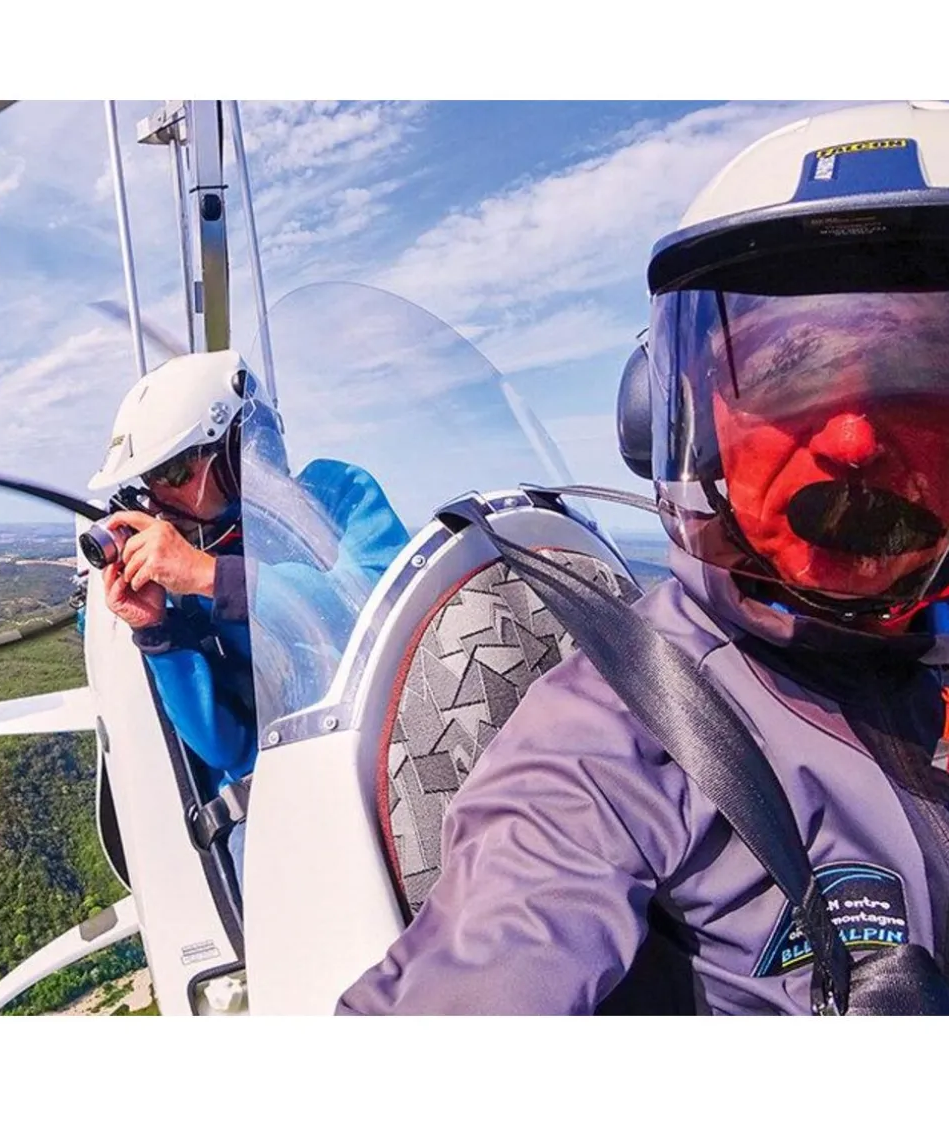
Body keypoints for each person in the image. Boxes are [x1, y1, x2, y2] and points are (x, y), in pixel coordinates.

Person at [338, 100, 949, 1014]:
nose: (853, 439)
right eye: (789, 371)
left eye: (918, 371)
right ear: (688, 421)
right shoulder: (610, 741)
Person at [90, 349, 409, 881]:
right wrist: (157, 633)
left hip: (386, 751)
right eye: (148, 482)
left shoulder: (336, 494)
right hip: (281, 800)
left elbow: (380, 608)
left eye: (173, 472)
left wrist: (216, 578)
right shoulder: (186, 572)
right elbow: (225, 746)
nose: (159, 499)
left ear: (240, 447)